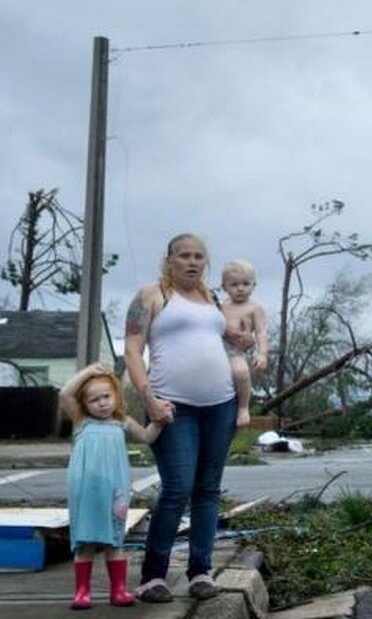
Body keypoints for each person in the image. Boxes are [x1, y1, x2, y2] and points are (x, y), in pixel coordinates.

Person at [123, 233, 252, 603]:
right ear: (170, 260)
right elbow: (133, 350)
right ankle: (153, 576)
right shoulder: (151, 295)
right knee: (177, 488)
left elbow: (217, 336)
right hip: (172, 407)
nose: (192, 262)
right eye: (185, 256)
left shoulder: (211, 298)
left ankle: (200, 571)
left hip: (221, 405)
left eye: (198, 257)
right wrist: (149, 399)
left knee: (208, 491)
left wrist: (242, 341)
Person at [60, 362, 164, 610]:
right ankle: (82, 592)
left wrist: (159, 422)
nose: (102, 403)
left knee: (114, 541)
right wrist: (89, 372)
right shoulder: (81, 422)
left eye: (106, 396)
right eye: (94, 399)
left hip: (115, 490)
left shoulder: (123, 423)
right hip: (85, 492)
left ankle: (118, 590)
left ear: (116, 396)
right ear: (85, 405)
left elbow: (147, 436)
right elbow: (65, 393)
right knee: (84, 542)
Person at [219, 260, 269, 427]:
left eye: (246, 284)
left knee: (241, 372)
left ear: (254, 284)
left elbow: (261, 332)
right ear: (224, 286)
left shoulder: (255, 308)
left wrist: (262, 354)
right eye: (234, 284)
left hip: (235, 351)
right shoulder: (220, 306)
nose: (240, 288)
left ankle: (243, 407)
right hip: (216, 350)